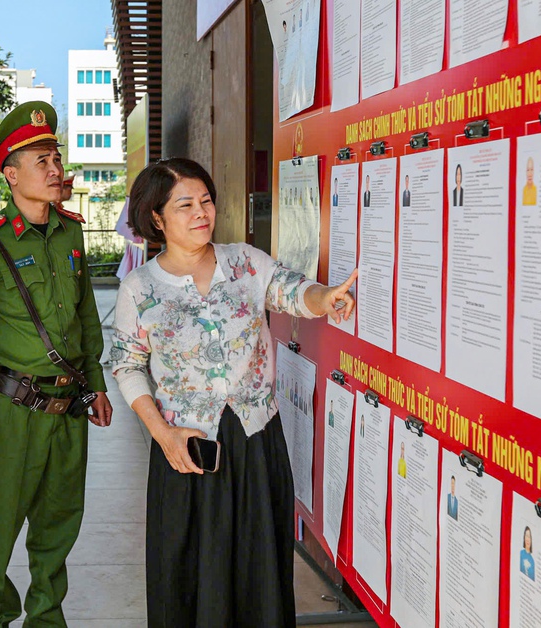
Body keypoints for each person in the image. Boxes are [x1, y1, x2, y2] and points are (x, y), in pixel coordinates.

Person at [110, 157, 357, 627]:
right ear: (156, 218)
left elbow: (291, 290)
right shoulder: (140, 288)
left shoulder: (245, 261)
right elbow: (127, 365)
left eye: (206, 200)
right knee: (190, 571)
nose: (201, 212)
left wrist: (325, 298)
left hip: (254, 439)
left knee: (258, 565)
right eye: (185, 205)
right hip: (185, 447)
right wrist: (161, 434)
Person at [0, 101, 113, 628]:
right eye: (39, 160)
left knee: (58, 527)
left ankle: (46, 620)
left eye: (55, 157)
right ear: (10, 173)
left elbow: (87, 315)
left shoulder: (69, 233)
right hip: (10, 411)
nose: (53, 169)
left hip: (69, 407)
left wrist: (97, 385)